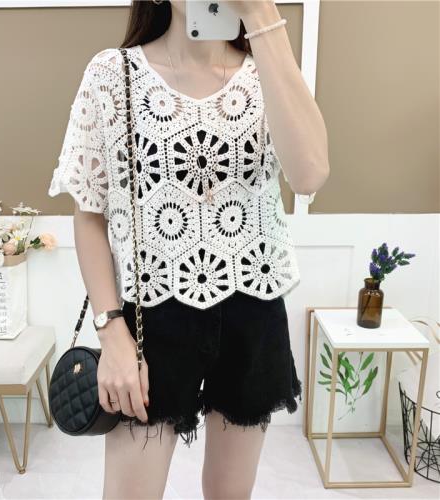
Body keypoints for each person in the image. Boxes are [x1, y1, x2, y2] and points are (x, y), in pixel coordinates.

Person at [48, 1, 329, 498]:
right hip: (149, 320)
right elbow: (90, 212)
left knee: (230, 494)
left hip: (253, 310)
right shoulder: (113, 75)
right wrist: (111, 332)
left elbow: (309, 175)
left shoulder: (266, 72)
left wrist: (262, 16)